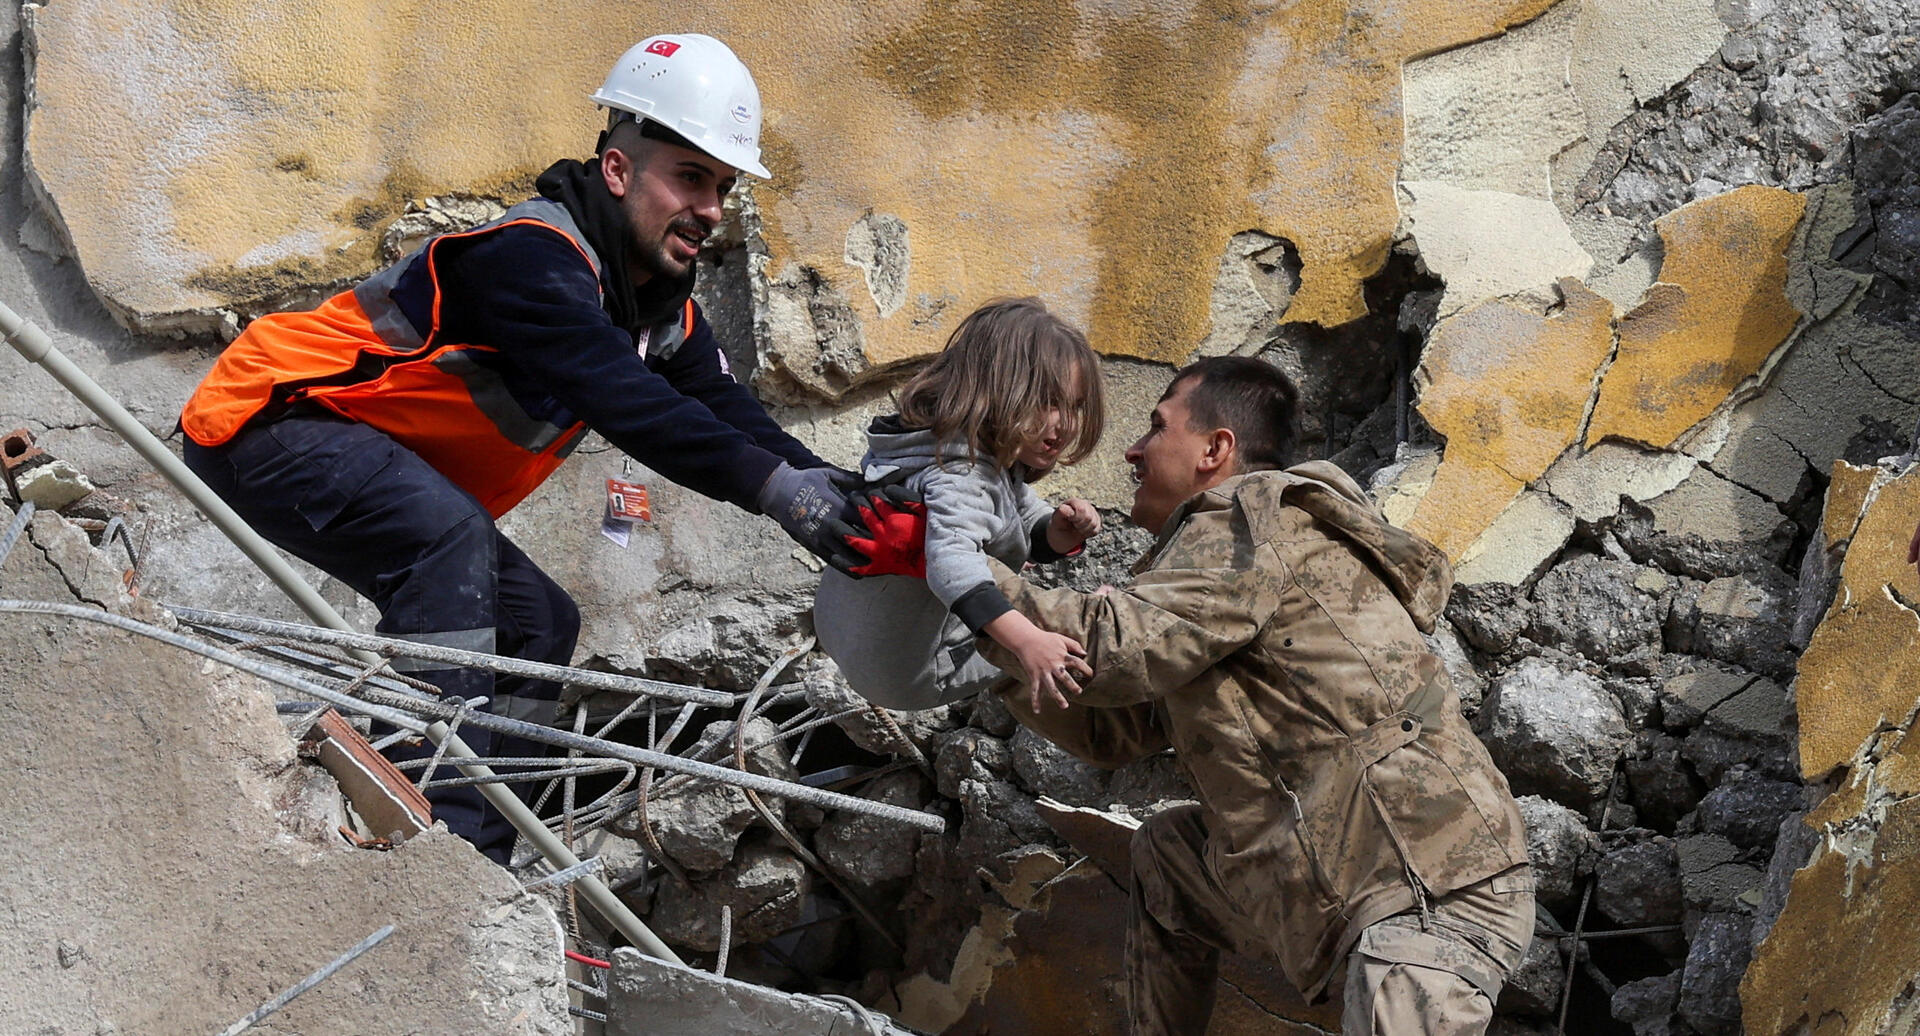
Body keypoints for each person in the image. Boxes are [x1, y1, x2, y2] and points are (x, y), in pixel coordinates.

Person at [177, 33, 895, 863]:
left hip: (351, 446)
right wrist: (779, 494)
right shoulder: (532, 257)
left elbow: (726, 410)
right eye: (690, 177)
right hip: (267, 420)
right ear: (619, 172)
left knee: (536, 624)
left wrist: (833, 488)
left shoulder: (659, 310)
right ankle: (410, 840)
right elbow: (624, 398)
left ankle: (476, 861)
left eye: (724, 187)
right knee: (448, 544)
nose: (711, 209)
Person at [981, 356, 1533, 1035]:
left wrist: (955, 575)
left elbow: (1114, 649)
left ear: (1216, 450)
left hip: (1427, 881)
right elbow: (1113, 732)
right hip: (1347, 889)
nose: (1132, 449)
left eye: (1156, 427)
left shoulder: (1253, 523)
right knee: (1168, 855)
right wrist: (994, 653)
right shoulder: (1207, 573)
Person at [813, 298, 1105, 711]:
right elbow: (952, 566)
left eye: (1074, 406)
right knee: (1084, 641)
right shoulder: (961, 476)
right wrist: (1029, 643)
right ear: (996, 390)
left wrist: (1057, 530)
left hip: (843, 633)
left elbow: (1018, 511)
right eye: (1049, 402)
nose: (1066, 424)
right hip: (914, 676)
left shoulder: (933, 447)